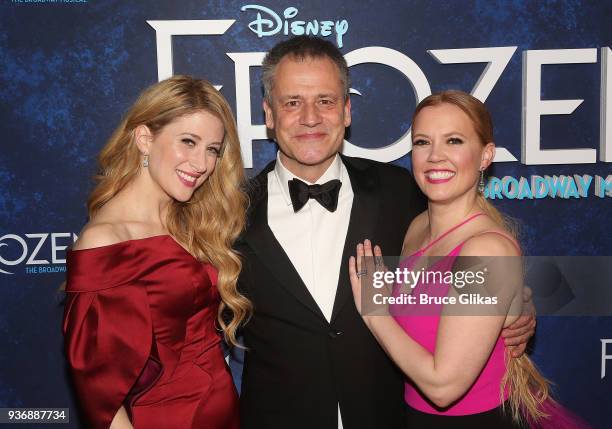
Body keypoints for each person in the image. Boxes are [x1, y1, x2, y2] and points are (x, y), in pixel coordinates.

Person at [236, 36, 535, 429]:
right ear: (269, 115)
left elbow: (472, 263)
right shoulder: (228, 214)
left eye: (325, 101)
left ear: (346, 111)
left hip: (390, 417)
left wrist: (517, 307)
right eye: (292, 102)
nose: (310, 117)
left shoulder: (404, 193)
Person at [349, 90, 588, 428]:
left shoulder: (486, 251)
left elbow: (444, 387)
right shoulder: (418, 227)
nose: (435, 156)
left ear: (485, 156)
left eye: (454, 141)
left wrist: (375, 312)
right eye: (422, 142)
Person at [62, 75, 250, 429]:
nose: (201, 163)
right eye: (188, 142)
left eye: (212, 149)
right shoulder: (106, 242)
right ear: (145, 138)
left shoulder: (190, 219)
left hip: (223, 410)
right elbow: (99, 392)